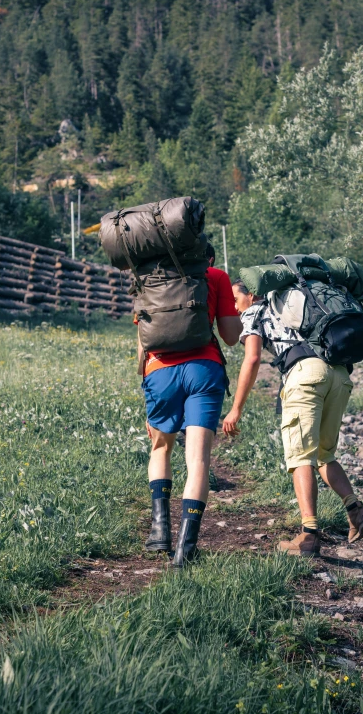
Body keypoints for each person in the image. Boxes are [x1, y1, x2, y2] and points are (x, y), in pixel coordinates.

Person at [222, 279, 363, 557]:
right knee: (323, 455)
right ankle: (356, 511)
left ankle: (308, 535)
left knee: (300, 456)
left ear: (252, 294)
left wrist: (236, 408)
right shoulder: (292, 304)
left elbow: (253, 358)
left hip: (304, 375)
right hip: (338, 374)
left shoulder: (254, 312)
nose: (234, 306)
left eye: (235, 299)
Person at [140, 243, 242, 567]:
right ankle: (185, 551)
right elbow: (230, 335)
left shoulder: (153, 282)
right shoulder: (216, 276)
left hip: (159, 372)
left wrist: (147, 381)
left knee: (160, 449)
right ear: (207, 259)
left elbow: (143, 341)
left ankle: (159, 531)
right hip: (204, 369)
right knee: (197, 461)